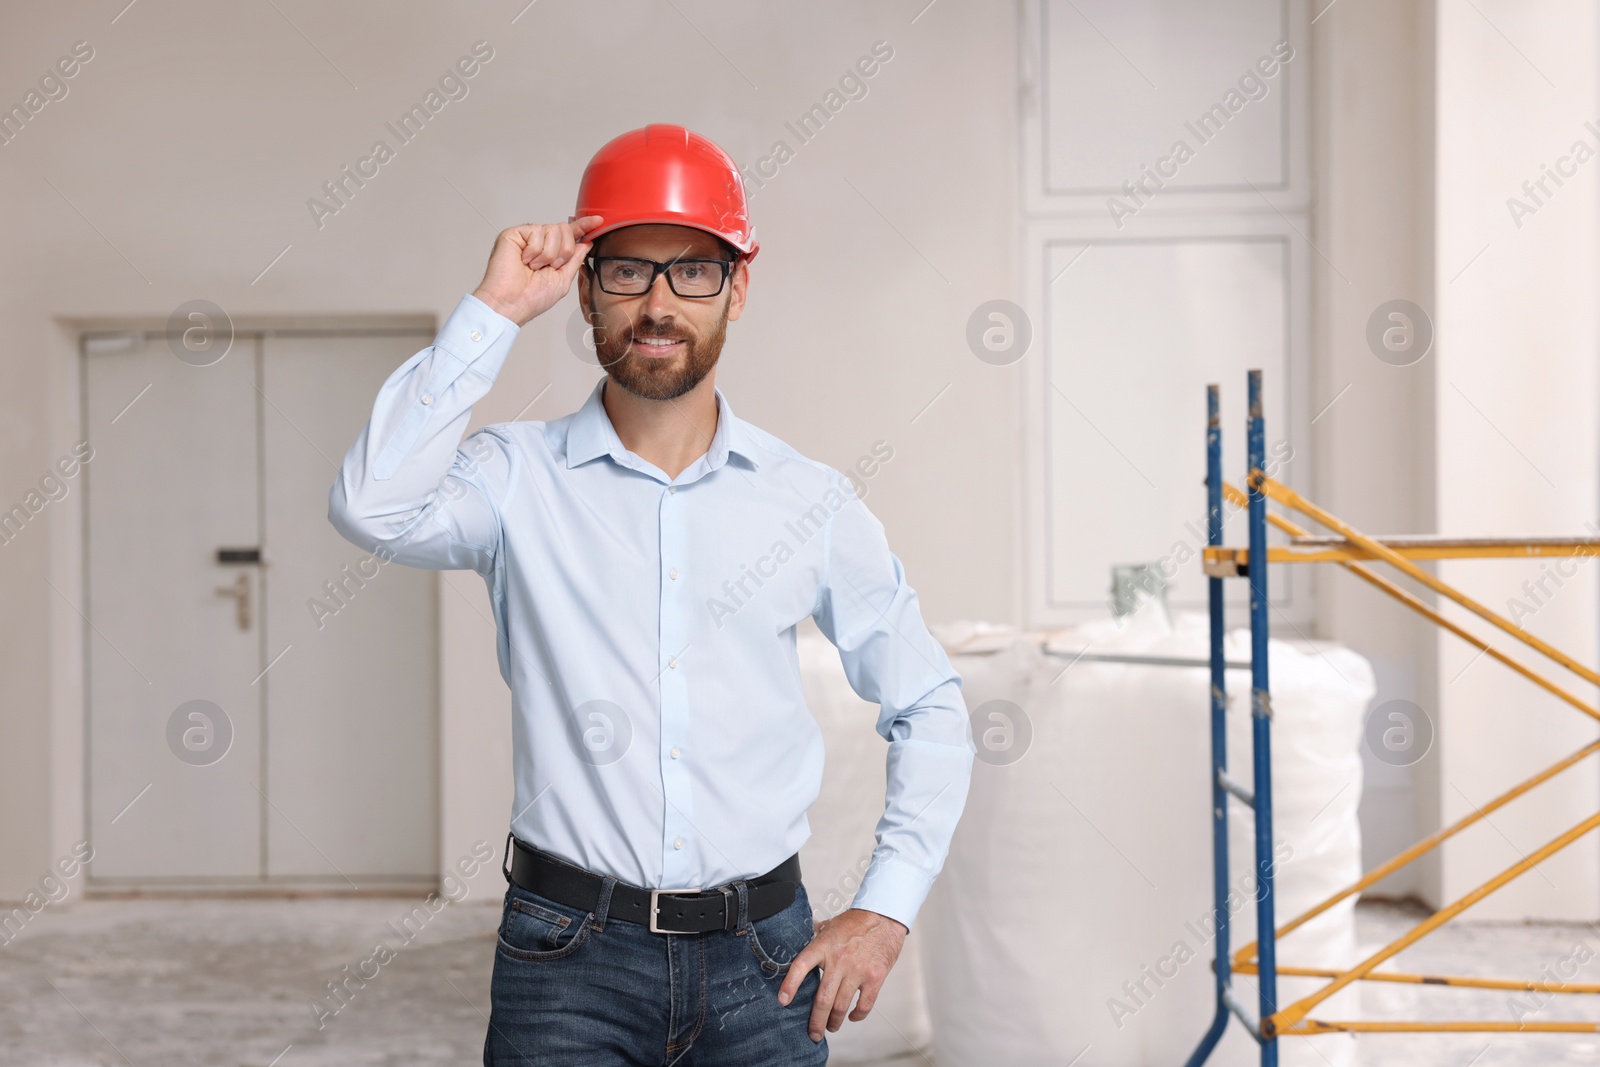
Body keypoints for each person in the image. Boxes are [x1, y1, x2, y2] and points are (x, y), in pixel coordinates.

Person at [328, 123, 974, 1065]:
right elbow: (370, 505)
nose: (659, 304)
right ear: (586, 288)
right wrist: (492, 310)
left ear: (738, 290)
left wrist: (886, 907)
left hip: (766, 964)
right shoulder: (514, 479)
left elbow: (931, 702)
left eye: (694, 272)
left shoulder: (810, 501)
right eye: (628, 271)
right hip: (566, 963)